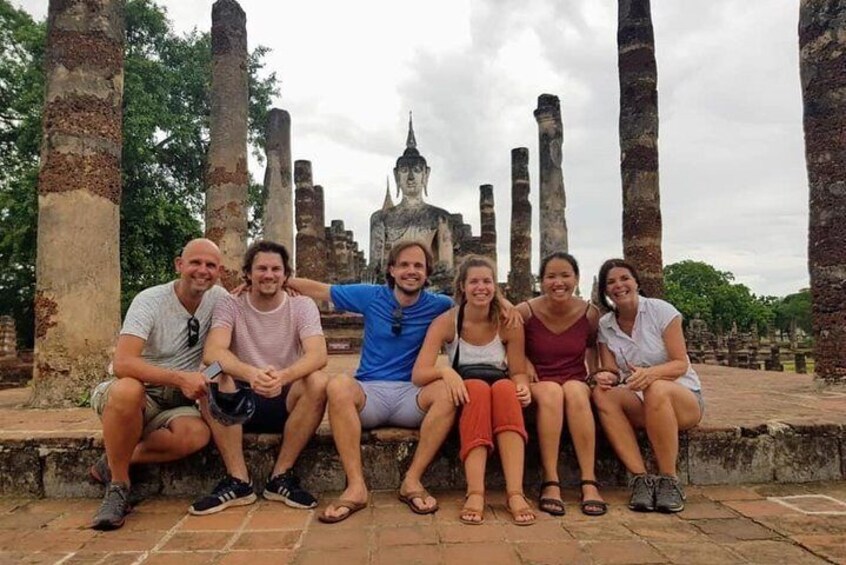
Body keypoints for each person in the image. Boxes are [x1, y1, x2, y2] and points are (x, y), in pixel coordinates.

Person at [285, 240, 456, 523]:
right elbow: (320, 290)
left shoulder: (441, 305)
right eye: (404, 265)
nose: (411, 271)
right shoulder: (371, 296)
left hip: (412, 395)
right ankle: (355, 486)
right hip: (370, 394)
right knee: (337, 384)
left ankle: (412, 480)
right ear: (391, 269)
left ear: (427, 273)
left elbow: (480, 302)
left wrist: (510, 309)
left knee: (448, 392)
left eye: (418, 266)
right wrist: (272, 280)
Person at [88, 238, 226, 530]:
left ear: (219, 271)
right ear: (179, 265)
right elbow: (124, 363)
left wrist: (205, 374)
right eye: (195, 263)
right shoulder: (149, 299)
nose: (202, 271)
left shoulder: (220, 300)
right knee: (127, 389)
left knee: (196, 435)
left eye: (210, 265)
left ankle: (114, 460)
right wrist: (179, 377)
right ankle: (118, 486)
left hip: (180, 400)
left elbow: (223, 358)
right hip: (142, 393)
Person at [191, 240, 328, 515]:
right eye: (261, 268)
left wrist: (283, 376)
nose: (269, 275)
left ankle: (280, 476)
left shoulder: (302, 305)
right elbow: (213, 351)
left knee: (319, 380)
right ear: (248, 273)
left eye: (276, 269)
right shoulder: (231, 303)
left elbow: (318, 354)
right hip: (240, 396)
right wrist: (251, 373)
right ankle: (239, 479)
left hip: (284, 396)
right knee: (208, 374)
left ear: (286, 274)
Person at [413, 256, 535, 526]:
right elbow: (419, 373)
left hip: (499, 383)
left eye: (487, 281)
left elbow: (517, 370)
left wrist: (523, 386)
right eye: (474, 282)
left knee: (505, 389)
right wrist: (446, 372)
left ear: (496, 286)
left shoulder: (508, 321)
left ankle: (515, 492)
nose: (481, 288)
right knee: (477, 390)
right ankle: (475, 491)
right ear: (462, 287)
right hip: (467, 387)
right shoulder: (447, 322)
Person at [591, 258, 704, 513]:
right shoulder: (605, 325)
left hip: (681, 399)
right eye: (611, 282)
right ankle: (640, 477)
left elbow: (680, 364)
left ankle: (668, 479)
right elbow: (612, 371)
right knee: (603, 394)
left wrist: (651, 374)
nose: (618, 286)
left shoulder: (661, 311)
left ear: (636, 282)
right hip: (641, 402)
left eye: (624, 279)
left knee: (656, 388)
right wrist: (607, 377)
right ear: (605, 291)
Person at [516, 252, 607, 517]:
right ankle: (550, 479)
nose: (559, 282)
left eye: (566, 275)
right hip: (539, 382)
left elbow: (591, 346)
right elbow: (505, 341)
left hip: (574, 378)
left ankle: (589, 481)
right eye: (551, 276)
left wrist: (595, 373)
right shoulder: (525, 311)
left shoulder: (590, 314)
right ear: (541, 281)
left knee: (576, 392)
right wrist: (524, 362)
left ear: (576, 279)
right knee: (554, 392)